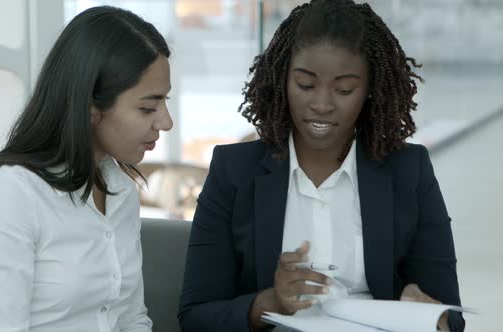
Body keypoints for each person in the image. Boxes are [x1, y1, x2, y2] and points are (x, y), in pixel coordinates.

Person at [178, 0, 464, 331]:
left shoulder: (409, 171)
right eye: (305, 85)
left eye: (344, 89)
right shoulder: (234, 172)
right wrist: (269, 302)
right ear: (283, 80)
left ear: (370, 89)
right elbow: (195, 317)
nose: (322, 104)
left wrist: (433, 318)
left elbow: (450, 317)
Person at [0, 6, 173, 331]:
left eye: (166, 103)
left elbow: (130, 319)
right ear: (89, 108)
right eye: (148, 108)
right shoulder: (6, 197)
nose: (166, 122)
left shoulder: (120, 190)